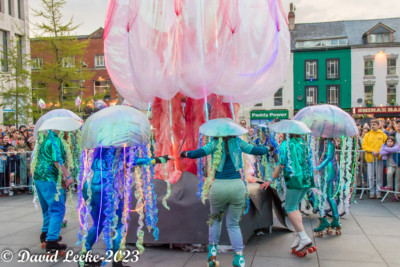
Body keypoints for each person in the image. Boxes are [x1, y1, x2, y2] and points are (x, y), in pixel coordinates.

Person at [181, 136, 269, 267]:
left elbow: (197, 153)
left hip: (218, 187)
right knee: (233, 225)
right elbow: (258, 150)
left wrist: (185, 153)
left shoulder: (214, 144)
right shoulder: (239, 142)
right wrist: (268, 147)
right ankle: (239, 258)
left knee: (215, 220)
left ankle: (212, 255)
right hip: (237, 187)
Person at [81, 149, 173, 267]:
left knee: (98, 224)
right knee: (119, 225)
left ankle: (85, 256)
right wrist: (160, 159)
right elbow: (138, 161)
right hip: (105, 189)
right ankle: (117, 262)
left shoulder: (98, 151)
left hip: (88, 187)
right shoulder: (120, 151)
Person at [260, 134, 316, 257]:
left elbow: (281, 164)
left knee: (290, 208)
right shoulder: (303, 142)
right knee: (295, 207)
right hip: (306, 180)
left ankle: (304, 237)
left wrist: (270, 180)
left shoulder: (286, 144)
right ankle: (298, 237)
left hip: (295, 179)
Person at [33, 130, 73, 254]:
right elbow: (57, 161)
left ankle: (46, 233)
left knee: (47, 207)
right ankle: (52, 241)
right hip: (49, 178)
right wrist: (67, 176)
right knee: (58, 208)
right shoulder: (55, 139)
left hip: (39, 177)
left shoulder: (45, 139)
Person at [362, 119, 387, 199]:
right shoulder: (367, 135)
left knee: (379, 176)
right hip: (370, 158)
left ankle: (378, 192)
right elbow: (364, 146)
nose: (373, 126)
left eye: (374, 124)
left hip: (379, 158)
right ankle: (372, 192)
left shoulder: (383, 135)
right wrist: (372, 150)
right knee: (370, 176)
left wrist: (380, 152)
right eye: (371, 124)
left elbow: (386, 145)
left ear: (378, 125)